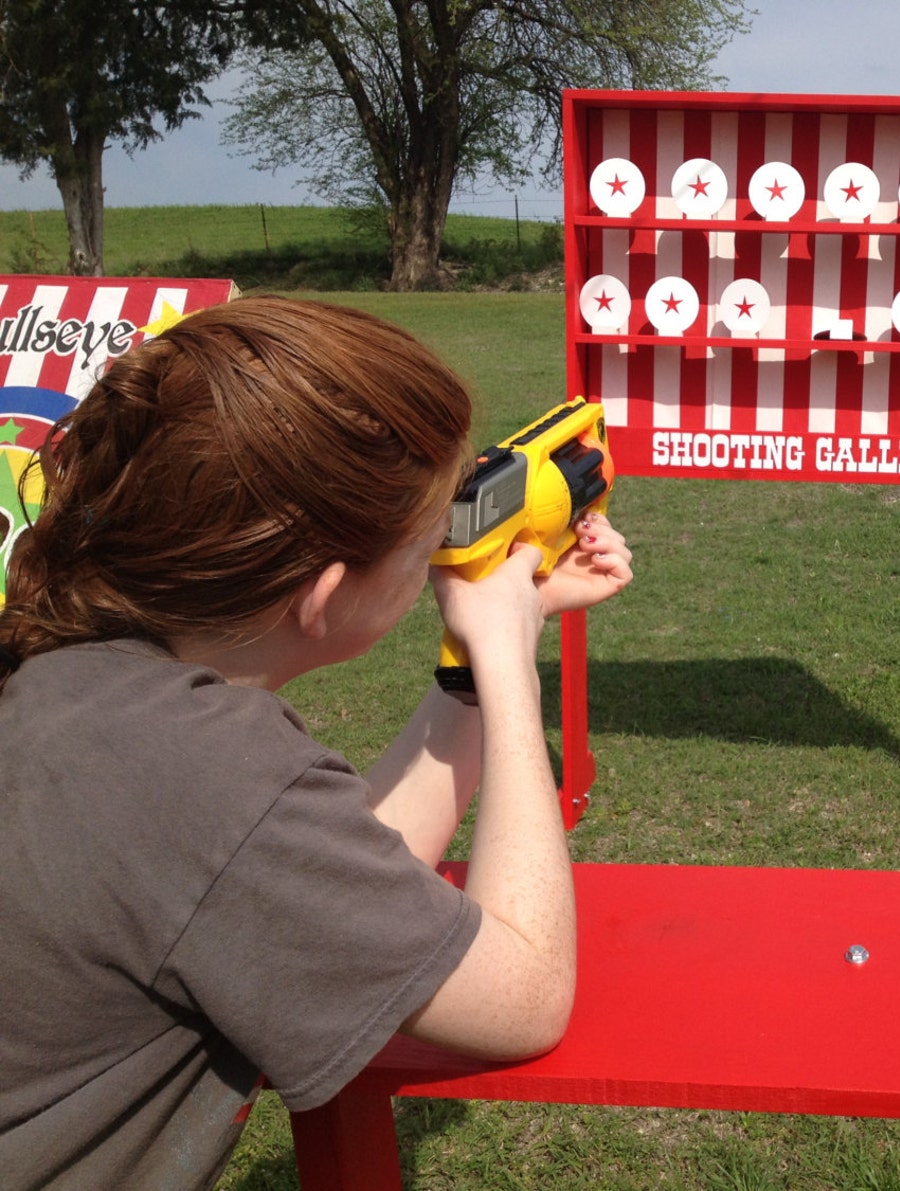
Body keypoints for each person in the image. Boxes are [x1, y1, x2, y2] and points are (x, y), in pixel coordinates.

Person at [0, 296, 632, 1189]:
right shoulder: (207, 773)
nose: (436, 561)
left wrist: (465, 672)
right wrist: (508, 660)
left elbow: (309, 889)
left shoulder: (79, 679)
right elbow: (524, 993)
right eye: (422, 549)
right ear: (324, 595)